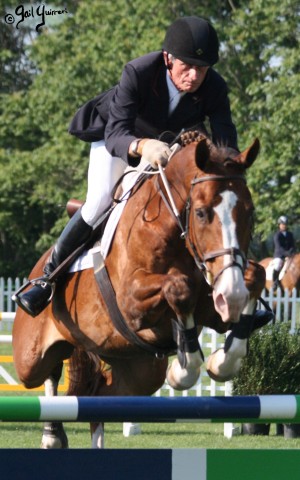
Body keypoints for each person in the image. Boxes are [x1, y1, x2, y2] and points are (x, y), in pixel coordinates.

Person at [15, 16, 240, 317]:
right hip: (120, 139)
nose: (194, 75)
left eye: (202, 68)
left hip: (168, 144)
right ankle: (47, 278)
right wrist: (142, 146)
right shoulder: (139, 72)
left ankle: (231, 278)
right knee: (99, 201)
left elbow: (226, 143)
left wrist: (230, 173)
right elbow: (116, 134)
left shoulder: (214, 87)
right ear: (167, 58)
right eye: (187, 66)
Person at [272, 215, 296, 290]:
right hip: (279, 255)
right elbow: (279, 248)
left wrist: (291, 252)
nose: (284, 226)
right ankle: (275, 282)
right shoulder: (277, 235)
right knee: (278, 265)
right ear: (279, 225)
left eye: (285, 224)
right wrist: (287, 254)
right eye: (282, 224)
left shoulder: (290, 234)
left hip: (290, 255)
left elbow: (292, 245)